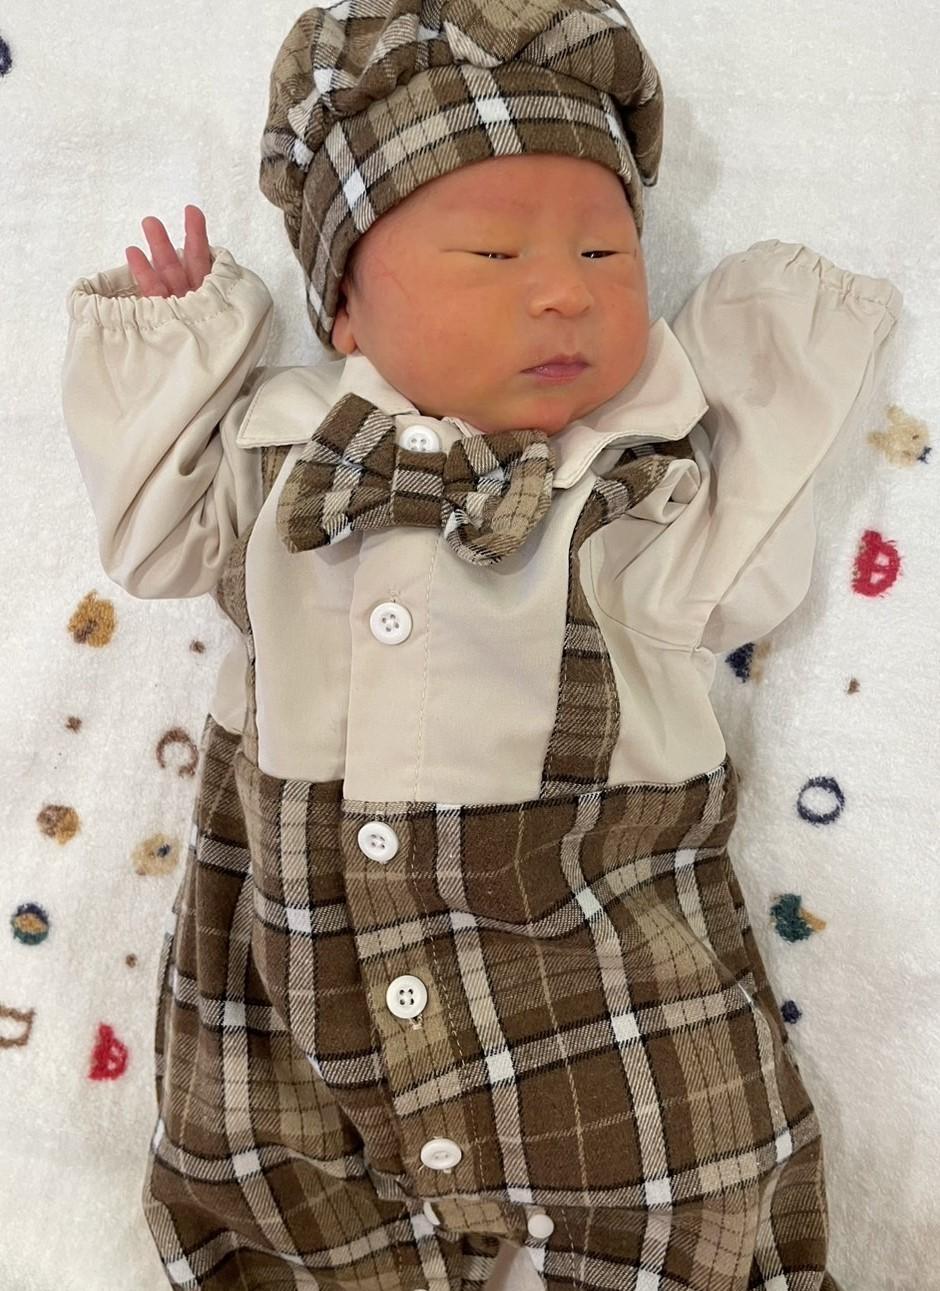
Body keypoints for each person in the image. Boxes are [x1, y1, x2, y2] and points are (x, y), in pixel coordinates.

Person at [59, 1, 903, 1287]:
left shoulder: (634, 480)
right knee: (258, 1166)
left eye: (607, 252)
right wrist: (171, 349)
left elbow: (743, 580)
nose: (564, 289)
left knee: (701, 1163)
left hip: (596, 944)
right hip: (299, 941)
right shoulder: (284, 453)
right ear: (345, 312)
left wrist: (785, 366)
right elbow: (155, 541)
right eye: (492, 253)